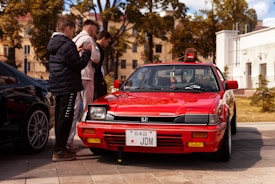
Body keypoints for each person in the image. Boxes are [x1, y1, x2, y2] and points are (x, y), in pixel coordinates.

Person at [47, 16, 92, 161]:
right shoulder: (66, 44)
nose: (73, 33)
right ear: (67, 29)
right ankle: (60, 151)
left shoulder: (56, 43)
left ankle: (60, 149)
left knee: (61, 117)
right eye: (72, 30)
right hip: (68, 86)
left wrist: (75, 51)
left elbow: (65, 60)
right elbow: (79, 64)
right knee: (66, 118)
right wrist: (87, 52)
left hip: (59, 85)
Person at [67, 19, 101, 149]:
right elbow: (96, 57)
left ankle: (69, 140)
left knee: (74, 109)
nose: (95, 33)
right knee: (87, 108)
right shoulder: (88, 39)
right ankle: (88, 138)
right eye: (95, 30)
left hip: (75, 76)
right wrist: (95, 49)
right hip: (86, 76)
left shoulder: (74, 39)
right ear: (90, 28)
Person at [93, 31, 112, 100]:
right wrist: (101, 81)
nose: (107, 44)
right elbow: (97, 67)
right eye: (107, 42)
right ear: (103, 38)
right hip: (96, 80)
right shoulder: (99, 50)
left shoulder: (94, 46)